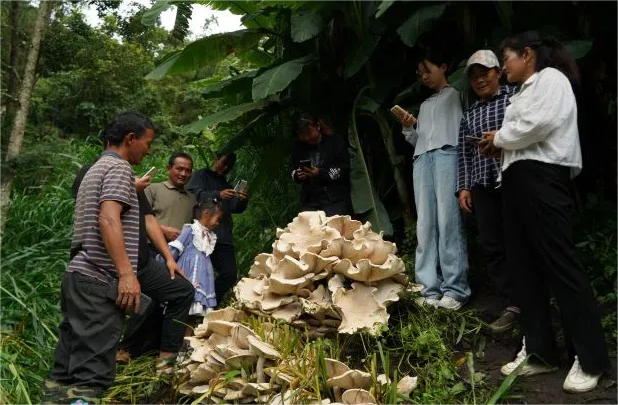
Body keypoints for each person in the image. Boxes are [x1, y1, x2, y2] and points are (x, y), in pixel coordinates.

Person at [479, 31, 610, 393]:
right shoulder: (523, 90)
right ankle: (539, 352)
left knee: (560, 265)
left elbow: (542, 124)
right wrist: (501, 146)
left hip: (543, 177)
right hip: (517, 180)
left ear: (528, 54)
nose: (504, 67)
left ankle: (592, 360)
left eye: (507, 59)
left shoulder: (552, 79)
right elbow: (523, 133)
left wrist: (500, 138)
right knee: (524, 268)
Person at [42, 112, 193, 405]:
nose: (149, 150)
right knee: (91, 376)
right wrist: (126, 274)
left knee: (63, 371)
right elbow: (108, 219)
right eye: (147, 143)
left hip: (78, 278)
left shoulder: (95, 169)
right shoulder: (120, 169)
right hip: (99, 279)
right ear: (130, 139)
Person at [395, 48, 470, 310]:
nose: (424, 76)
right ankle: (428, 290)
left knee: (448, 221)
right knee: (425, 225)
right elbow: (418, 141)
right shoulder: (425, 105)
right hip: (422, 160)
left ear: (444, 67)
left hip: (449, 155)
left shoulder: (460, 94)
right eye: (420, 73)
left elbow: (465, 130)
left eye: (428, 70)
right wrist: (408, 126)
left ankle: (455, 289)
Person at [456, 50, 519, 332]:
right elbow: (464, 154)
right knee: (493, 246)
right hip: (481, 184)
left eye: (485, 74)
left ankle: (533, 298)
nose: (480, 80)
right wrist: (463, 188)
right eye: (474, 77)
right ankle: (512, 304)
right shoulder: (469, 114)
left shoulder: (515, 99)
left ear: (498, 72)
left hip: (514, 181)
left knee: (519, 239)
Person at [187, 153, 248, 304]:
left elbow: (234, 208)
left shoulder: (227, 184)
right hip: (202, 234)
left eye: (229, 166)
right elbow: (193, 195)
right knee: (196, 273)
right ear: (216, 159)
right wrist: (217, 195)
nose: (226, 168)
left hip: (222, 236)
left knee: (229, 274)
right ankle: (191, 307)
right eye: (224, 163)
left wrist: (241, 200)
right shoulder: (201, 175)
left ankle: (209, 303)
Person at [163, 198, 223, 322]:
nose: (218, 223)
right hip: (189, 275)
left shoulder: (210, 236)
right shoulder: (190, 229)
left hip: (203, 278)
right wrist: (163, 264)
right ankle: (177, 338)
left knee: (194, 312)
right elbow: (176, 248)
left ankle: (187, 339)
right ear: (206, 213)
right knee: (184, 309)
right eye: (217, 219)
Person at [290, 112, 351, 216]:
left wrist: (320, 173)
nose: (306, 138)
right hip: (311, 201)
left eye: (308, 133)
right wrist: (297, 174)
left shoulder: (335, 141)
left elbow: (343, 168)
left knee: (335, 229)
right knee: (310, 230)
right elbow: (291, 170)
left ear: (317, 126)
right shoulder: (299, 148)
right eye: (302, 135)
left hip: (335, 199)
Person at [145, 152, 196, 242]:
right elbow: (139, 218)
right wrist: (162, 230)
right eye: (179, 169)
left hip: (180, 251)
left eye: (188, 170)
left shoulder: (192, 199)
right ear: (169, 168)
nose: (183, 174)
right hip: (152, 248)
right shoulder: (151, 189)